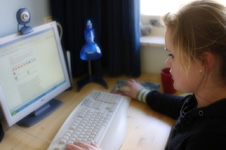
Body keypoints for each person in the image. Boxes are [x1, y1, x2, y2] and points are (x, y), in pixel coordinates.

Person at [66, 0, 226, 149]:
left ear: (204, 62)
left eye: (173, 55)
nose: (168, 62)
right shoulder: (203, 101)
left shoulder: (211, 139)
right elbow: (180, 106)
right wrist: (143, 94)